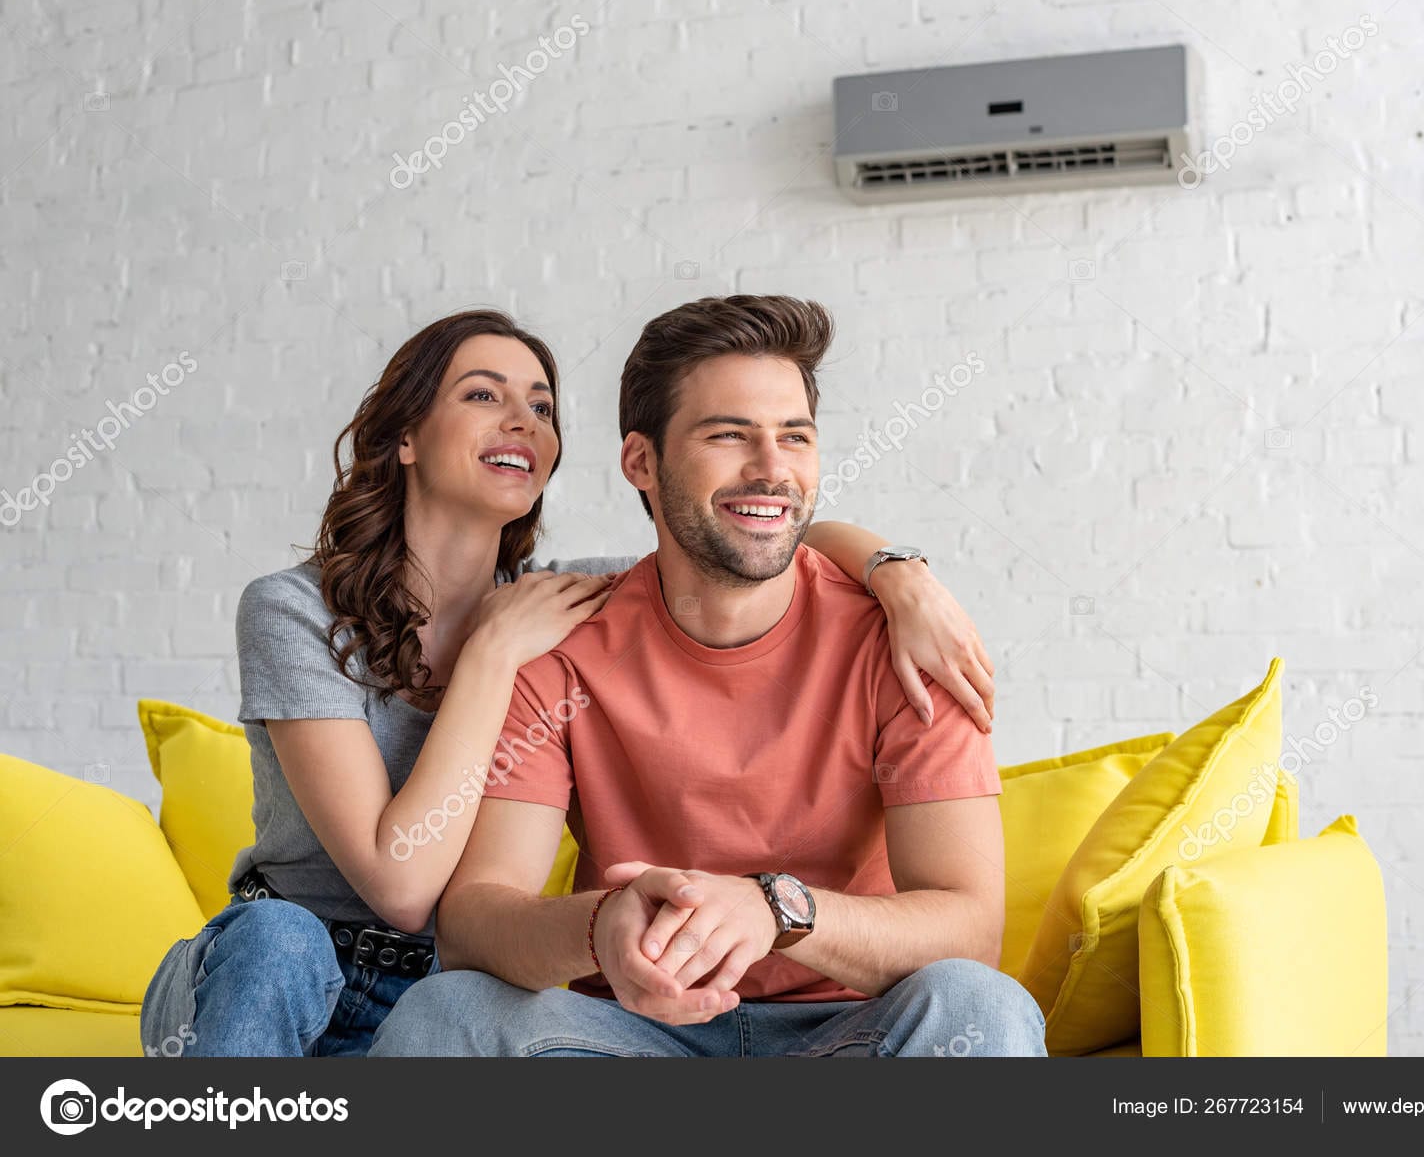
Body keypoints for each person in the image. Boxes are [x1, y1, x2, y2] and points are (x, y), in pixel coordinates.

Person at [138, 308, 998, 1058]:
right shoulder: (320, 614)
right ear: (403, 436)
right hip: (298, 956)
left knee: (978, 1005)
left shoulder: (561, 601)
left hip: (440, 978)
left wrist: (897, 572)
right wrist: (489, 658)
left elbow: (749, 545)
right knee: (305, 955)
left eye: (542, 407)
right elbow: (409, 892)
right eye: (483, 395)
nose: (522, 420)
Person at [370, 296, 1047, 1058]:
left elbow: (970, 928)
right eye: (729, 435)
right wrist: (601, 927)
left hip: (848, 1034)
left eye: (795, 437)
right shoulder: (559, 647)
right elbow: (474, 921)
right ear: (641, 462)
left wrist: (776, 910)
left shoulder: (905, 640)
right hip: (630, 1038)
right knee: (444, 1013)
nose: (772, 470)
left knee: (979, 1006)